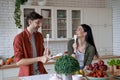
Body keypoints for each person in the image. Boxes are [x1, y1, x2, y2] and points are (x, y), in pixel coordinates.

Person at [13, 12, 50, 77]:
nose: (40, 25)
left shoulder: (39, 36)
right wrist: (40, 58)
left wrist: (46, 53)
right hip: (27, 75)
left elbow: (42, 54)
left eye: (41, 22)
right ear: (30, 22)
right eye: (37, 22)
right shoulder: (19, 38)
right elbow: (19, 61)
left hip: (40, 73)